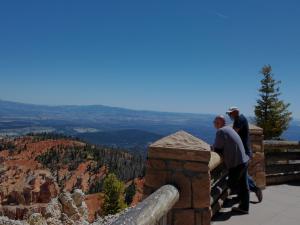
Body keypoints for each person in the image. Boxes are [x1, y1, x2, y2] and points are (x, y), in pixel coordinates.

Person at [212, 115, 250, 214]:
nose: (214, 124)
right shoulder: (229, 129)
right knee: (243, 185)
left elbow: (218, 149)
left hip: (236, 163)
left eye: (216, 122)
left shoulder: (220, 131)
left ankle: (243, 203)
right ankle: (244, 207)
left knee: (231, 184)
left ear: (220, 123)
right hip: (244, 160)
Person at [226, 107, 263, 202]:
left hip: (243, 152)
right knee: (242, 175)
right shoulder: (241, 119)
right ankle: (242, 195)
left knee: (242, 175)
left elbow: (233, 134)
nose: (229, 115)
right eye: (229, 113)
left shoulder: (239, 120)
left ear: (236, 112)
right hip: (245, 150)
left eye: (230, 113)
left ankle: (255, 189)